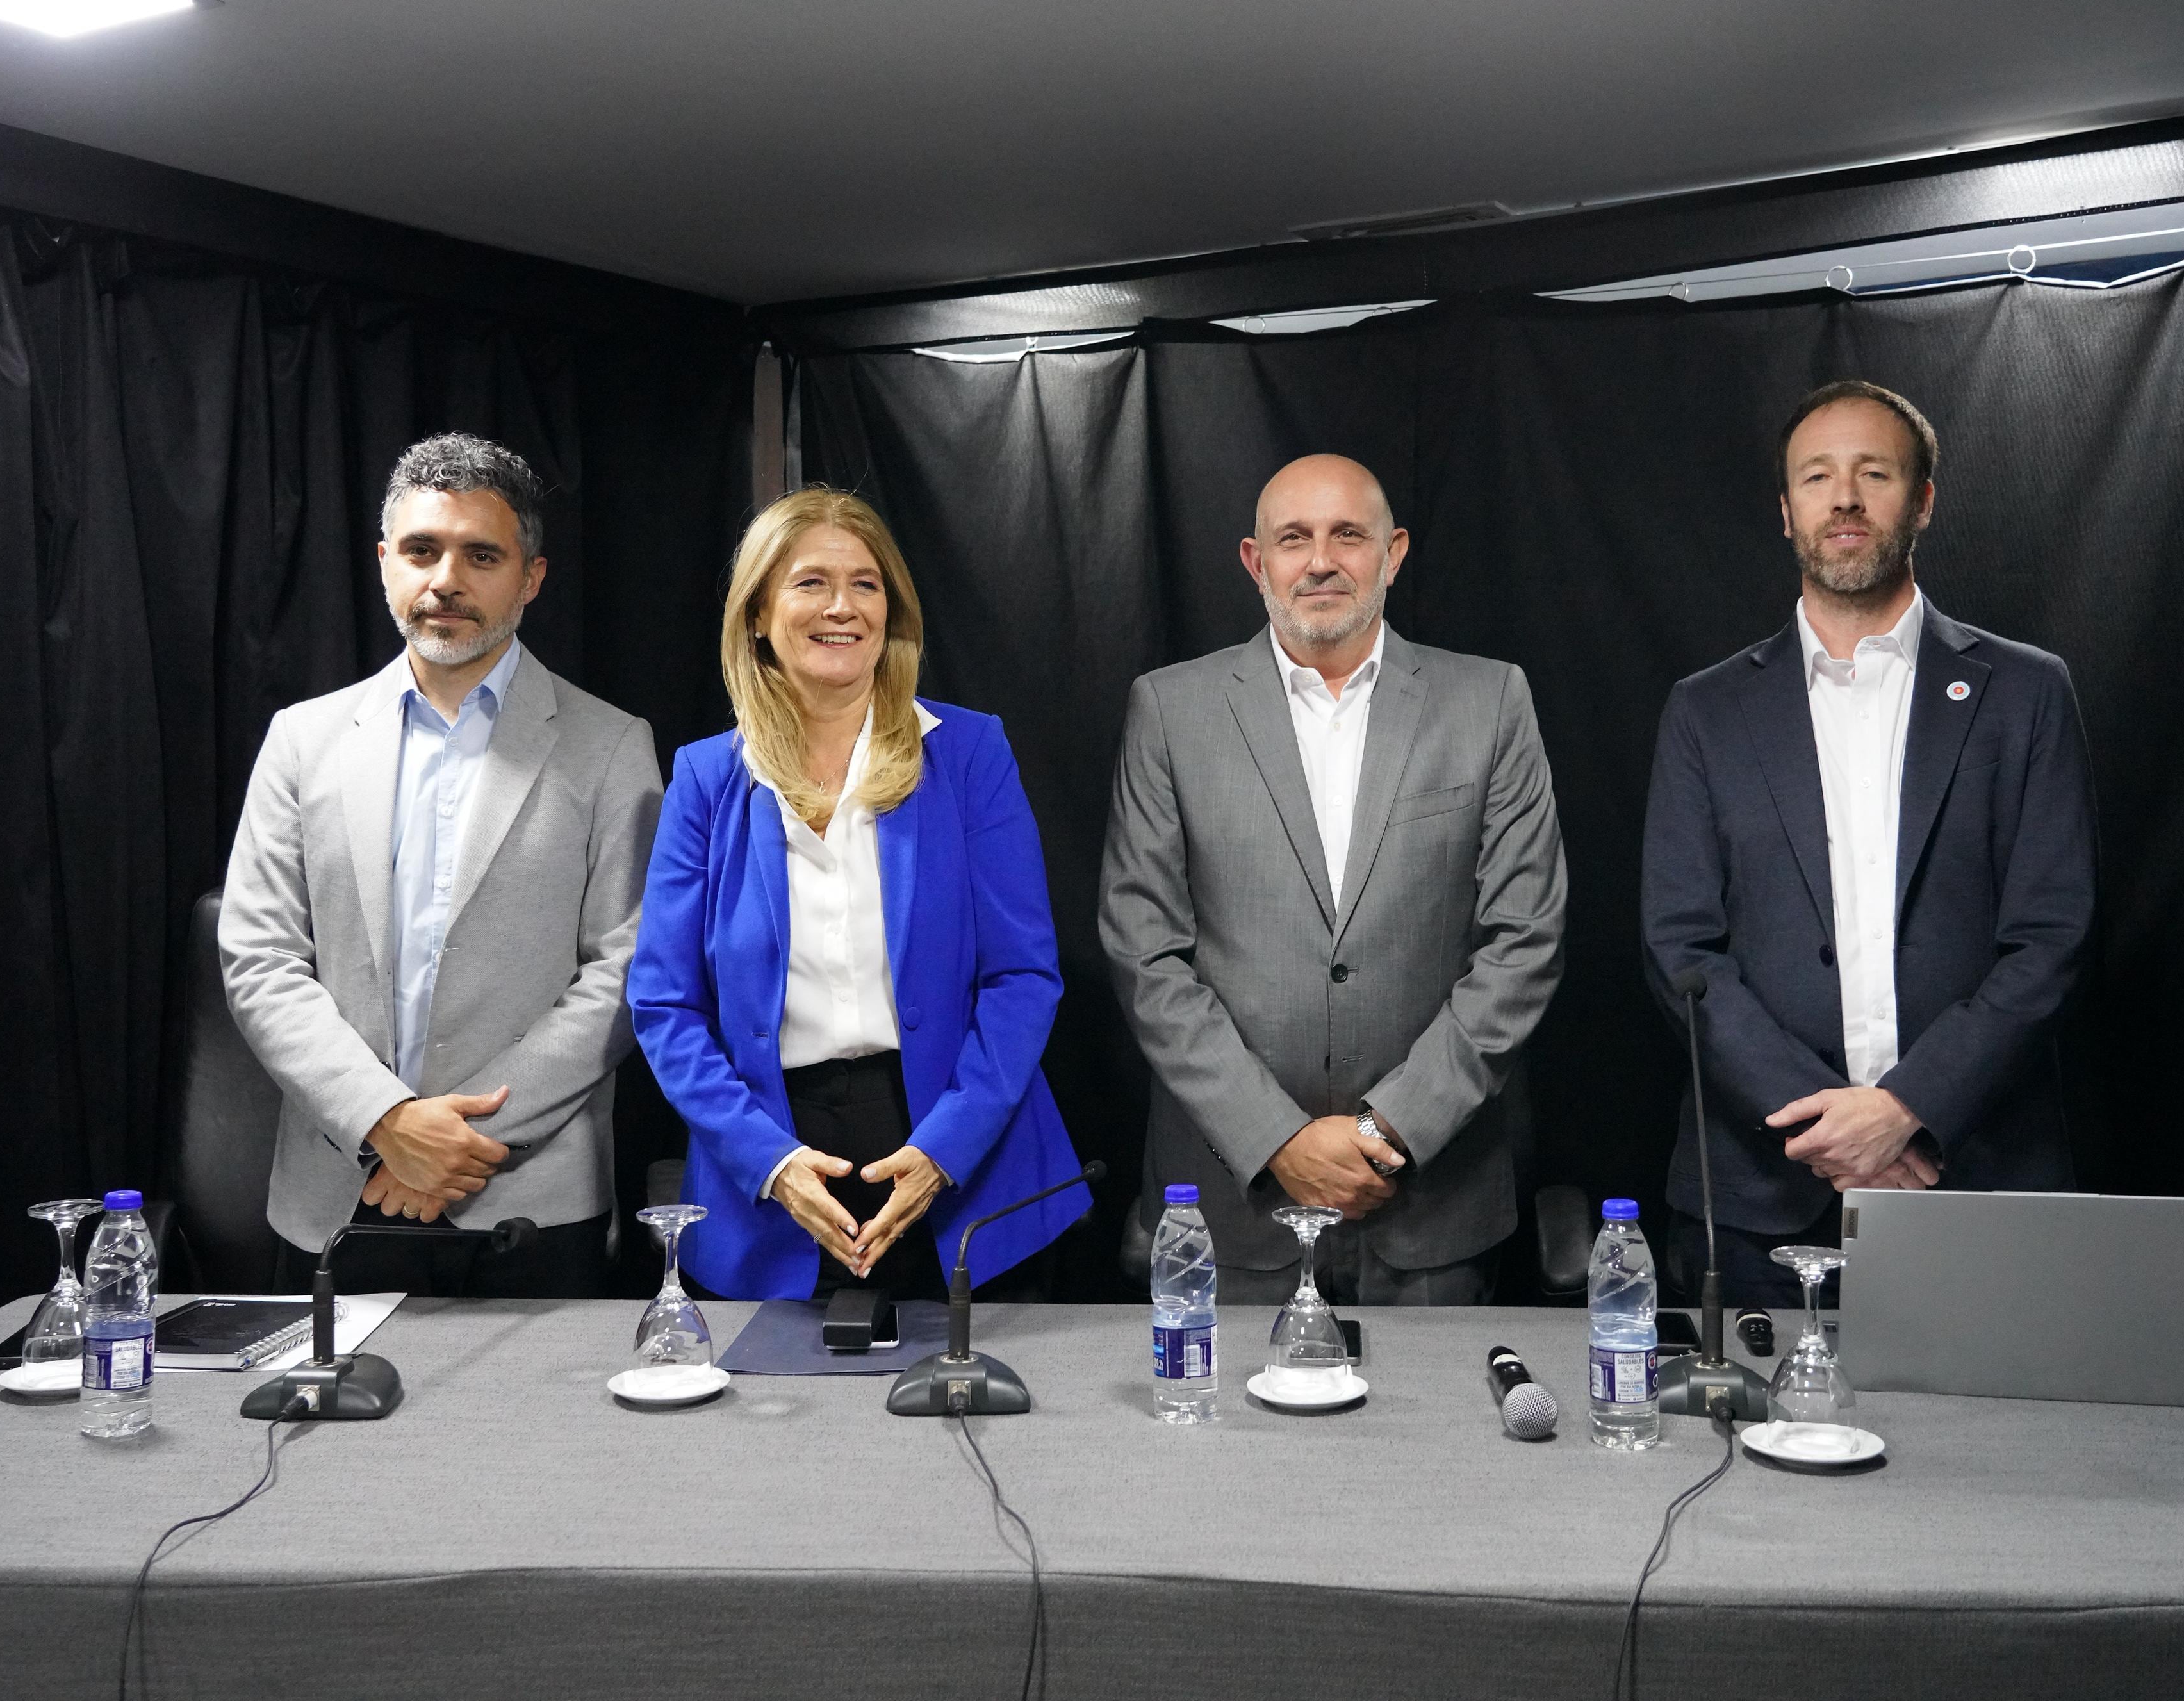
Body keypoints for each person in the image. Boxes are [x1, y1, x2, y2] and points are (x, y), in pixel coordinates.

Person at [1641, 381, 2097, 1308]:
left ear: (1922, 499)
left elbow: (2052, 936)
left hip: (1970, 1178)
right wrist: (1831, 1130)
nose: (1843, 497)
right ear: (1787, 511)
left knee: (2002, 1455)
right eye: (1817, 476)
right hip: (1763, 1196)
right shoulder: (1707, 710)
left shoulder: (2025, 692)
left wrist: (1905, 1111)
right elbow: (1681, 948)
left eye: (1873, 473)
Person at [1101, 454, 1568, 1306]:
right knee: (1225, 1442)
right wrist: (1278, 1138)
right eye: (1294, 538)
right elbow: (1146, 954)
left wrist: (1389, 1129)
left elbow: (1524, 941)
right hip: (1232, 1209)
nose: (1321, 559)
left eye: (1347, 534)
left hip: (1430, 1204)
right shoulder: (1170, 711)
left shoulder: (1490, 701)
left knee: (1429, 1443)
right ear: (1256, 562)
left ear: (1392, 553)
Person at [220, 432, 662, 1297]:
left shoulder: (612, 746)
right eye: (422, 550)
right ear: (387, 563)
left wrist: (454, 1146)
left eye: (481, 554)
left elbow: (629, 971)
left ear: (530, 577)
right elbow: (260, 958)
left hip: (523, 1200)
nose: (446, 579)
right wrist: (387, 1121)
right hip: (335, 1195)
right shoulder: (302, 742)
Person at [628, 489, 1083, 1302]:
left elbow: (1022, 976)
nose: (842, 606)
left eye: (865, 585)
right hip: (773, 1166)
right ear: (759, 614)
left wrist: (946, 1147)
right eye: (810, 583)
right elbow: (664, 1005)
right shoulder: (704, 778)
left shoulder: (971, 752)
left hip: (962, 1156)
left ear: (891, 611)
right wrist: (766, 1161)